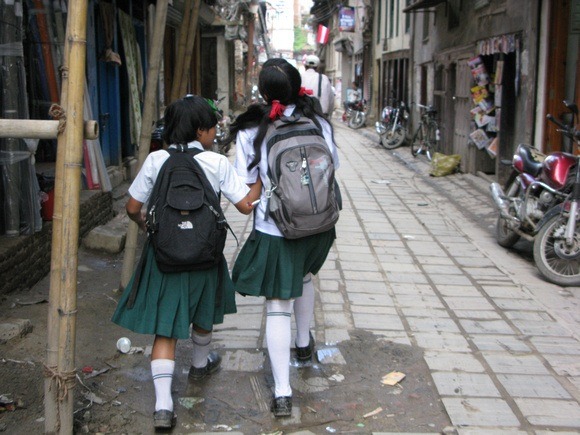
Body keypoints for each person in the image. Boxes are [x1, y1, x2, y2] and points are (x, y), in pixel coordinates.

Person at [111, 95, 261, 429]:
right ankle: (199, 363)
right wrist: (262, 178)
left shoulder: (155, 160)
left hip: (164, 255)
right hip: (204, 252)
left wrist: (148, 228)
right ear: (199, 130)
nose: (214, 133)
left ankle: (163, 406)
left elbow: (133, 207)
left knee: (166, 327)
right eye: (211, 127)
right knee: (203, 310)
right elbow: (245, 206)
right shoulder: (217, 162)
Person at [229, 58, 339, 418]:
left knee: (278, 306)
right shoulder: (319, 121)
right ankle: (304, 345)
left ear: (263, 93)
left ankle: (282, 392)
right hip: (321, 224)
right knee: (304, 277)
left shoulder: (250, 131)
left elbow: (250, 189)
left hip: (277, 229)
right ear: (298, 86)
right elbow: (331, 166)